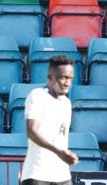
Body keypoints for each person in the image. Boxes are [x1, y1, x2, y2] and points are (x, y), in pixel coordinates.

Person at [21, 55, 79, 185]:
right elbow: (31, 131)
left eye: (70, 78)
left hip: (62, 176)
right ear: (50, 77)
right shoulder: (37, 95)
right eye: (63, 78)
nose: (67, 83)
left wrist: (64, 154)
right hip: (37, 174)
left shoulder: (66, 103)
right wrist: (59, 152)